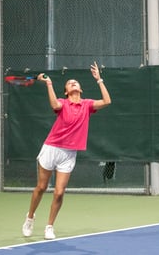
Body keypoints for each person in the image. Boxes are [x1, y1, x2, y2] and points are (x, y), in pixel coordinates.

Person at [22, 61, 111, 240]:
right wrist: (48, 83)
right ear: (66, 91)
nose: (73, 83)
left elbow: (107, 101)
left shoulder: (87, 105)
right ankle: (30, 217)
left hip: (69, 153)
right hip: (51, 148)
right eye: (69, 83)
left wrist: (99, 79)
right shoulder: (63, 103)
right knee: (41, 187)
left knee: (59, 191)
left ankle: (49, 226)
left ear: (80, 89)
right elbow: (54, 105)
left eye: (75, 82)